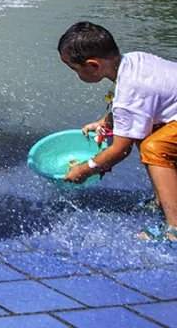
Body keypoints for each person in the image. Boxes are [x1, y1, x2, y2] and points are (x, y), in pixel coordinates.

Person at [59, 22, 176, 243]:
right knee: (145, 133)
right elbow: (142, 104)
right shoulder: (133, 60)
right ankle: (164, 199)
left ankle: (175, 230)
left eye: (75, 69)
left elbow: (121, 150)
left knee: (155, 147)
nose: (75, 75)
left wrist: (85, 169)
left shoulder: (129, 93)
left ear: (93, 66)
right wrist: (107, 121)